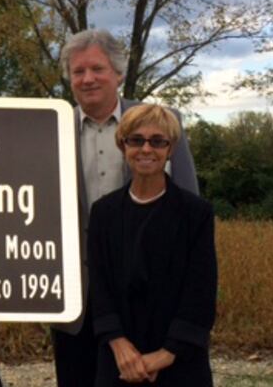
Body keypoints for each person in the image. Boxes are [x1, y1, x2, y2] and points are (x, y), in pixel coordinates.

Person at [51, 29, 200, 386]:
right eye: (78, 71)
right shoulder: (49, 129)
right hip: (79, 298)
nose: (87, 79)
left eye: (97, 69)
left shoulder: (161, 125)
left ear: (118, 73)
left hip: (150, 295)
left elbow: (187, 209)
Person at [88, 104, 217, 385]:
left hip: (179, 363)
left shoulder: (196, 213)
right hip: (119, 362)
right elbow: (99, 286)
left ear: (170, 149)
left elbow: (201, 290)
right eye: (136, 140)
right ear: (122, 146)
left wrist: (166, 354)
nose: (146, 149)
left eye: (158, 141)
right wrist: (119, 344)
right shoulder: (103, 213)